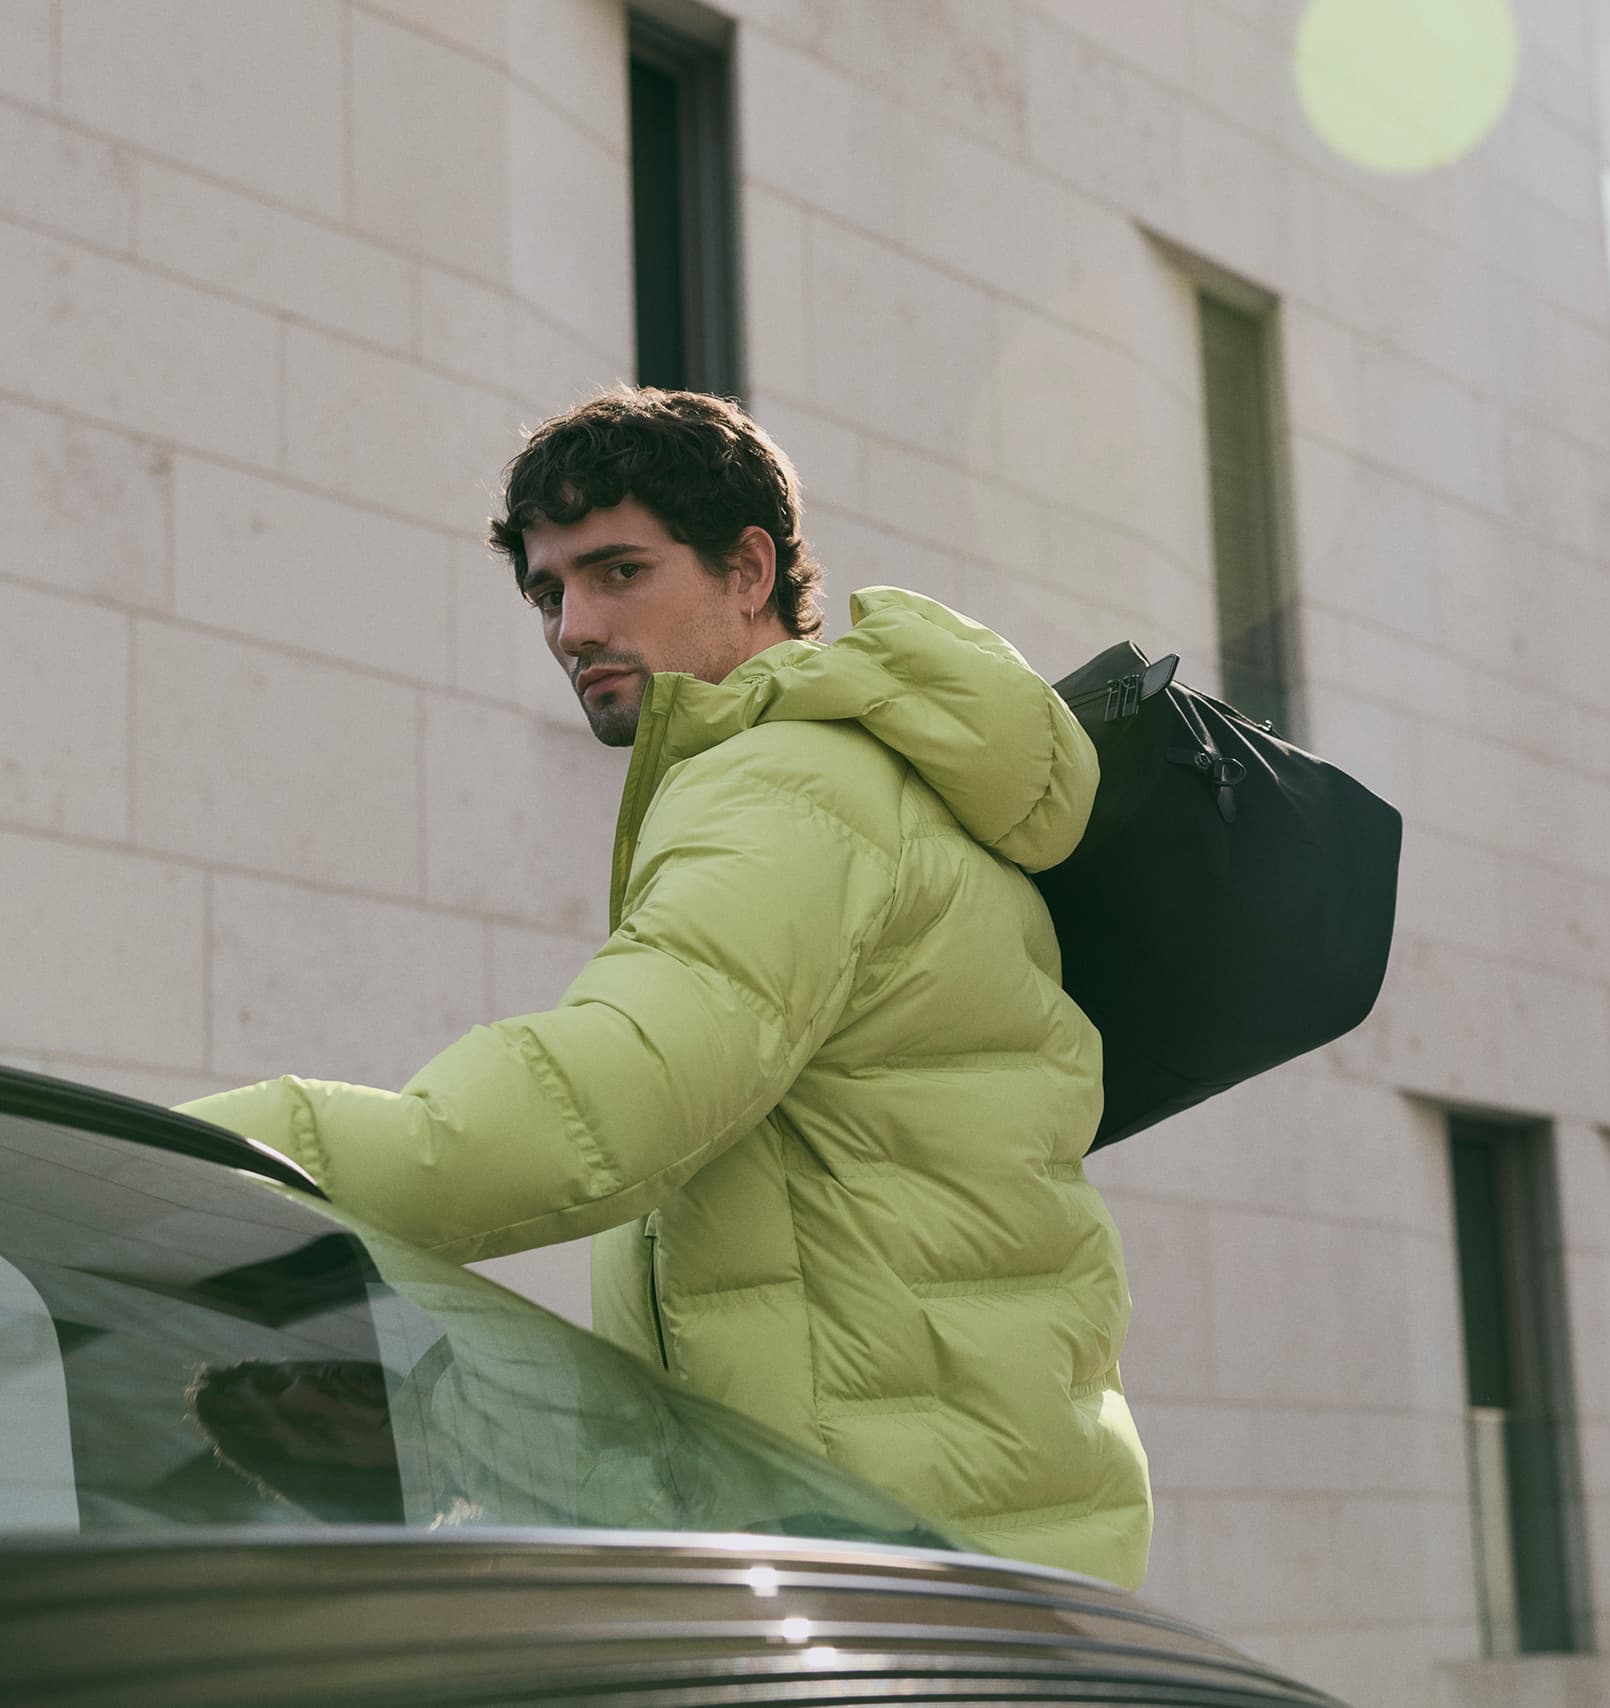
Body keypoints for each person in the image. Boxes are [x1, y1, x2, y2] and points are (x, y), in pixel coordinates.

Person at [177, 387, 1149, 1588]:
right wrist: (441, 1436)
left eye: (618, 571)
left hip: (905, 1591)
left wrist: (176, 1167)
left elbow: (585, 1118)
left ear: (749, 570)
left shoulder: (797, 784)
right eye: (548, 591)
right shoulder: (855, 780)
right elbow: (763, 1310)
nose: (573, 625)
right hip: (923, 1558)